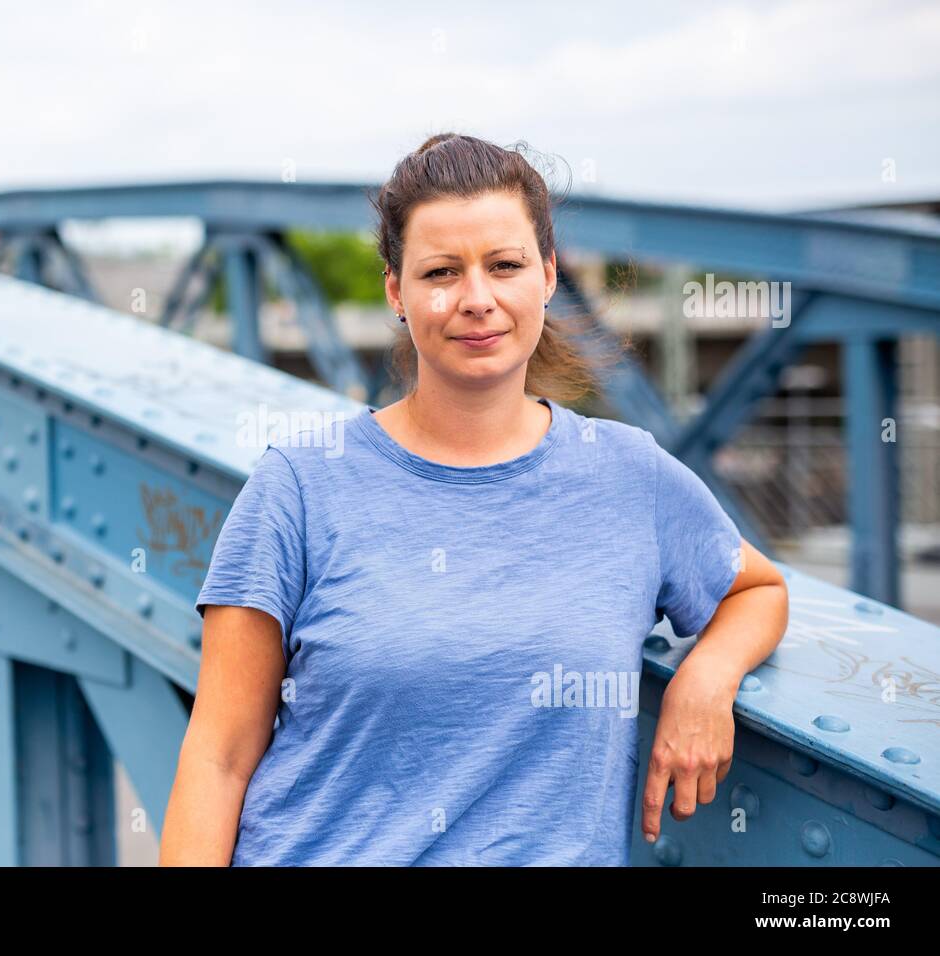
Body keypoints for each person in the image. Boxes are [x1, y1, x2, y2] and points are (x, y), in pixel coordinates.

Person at [159, 133, 789, 866]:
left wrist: (708, 677)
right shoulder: (298, 487)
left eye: (506, 265)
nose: (477, 300)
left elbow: (758, 589)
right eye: (441, 272)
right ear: (396, 291)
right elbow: (219, 757)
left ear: (549, 275)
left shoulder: (629, 478)